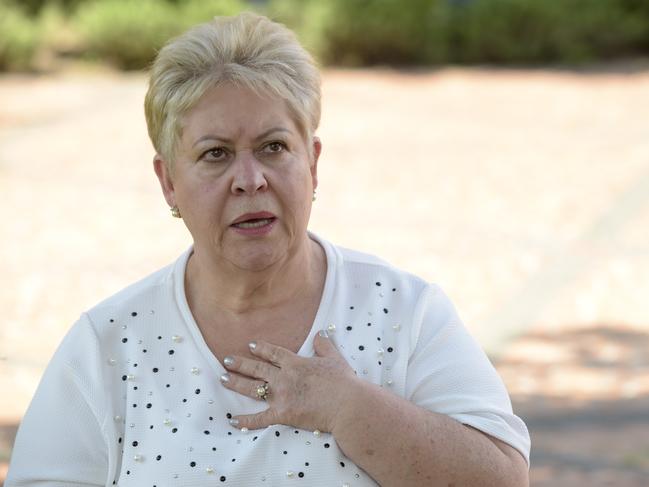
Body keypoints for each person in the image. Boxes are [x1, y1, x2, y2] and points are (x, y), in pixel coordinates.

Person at [6, 12, 530, 487]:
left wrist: (350, 409)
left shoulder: (405, 312)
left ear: (313, 163)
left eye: (273, 147)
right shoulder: (107, 345)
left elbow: (504, 480)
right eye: (215, 155)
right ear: (168, 182)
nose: (249, 179)